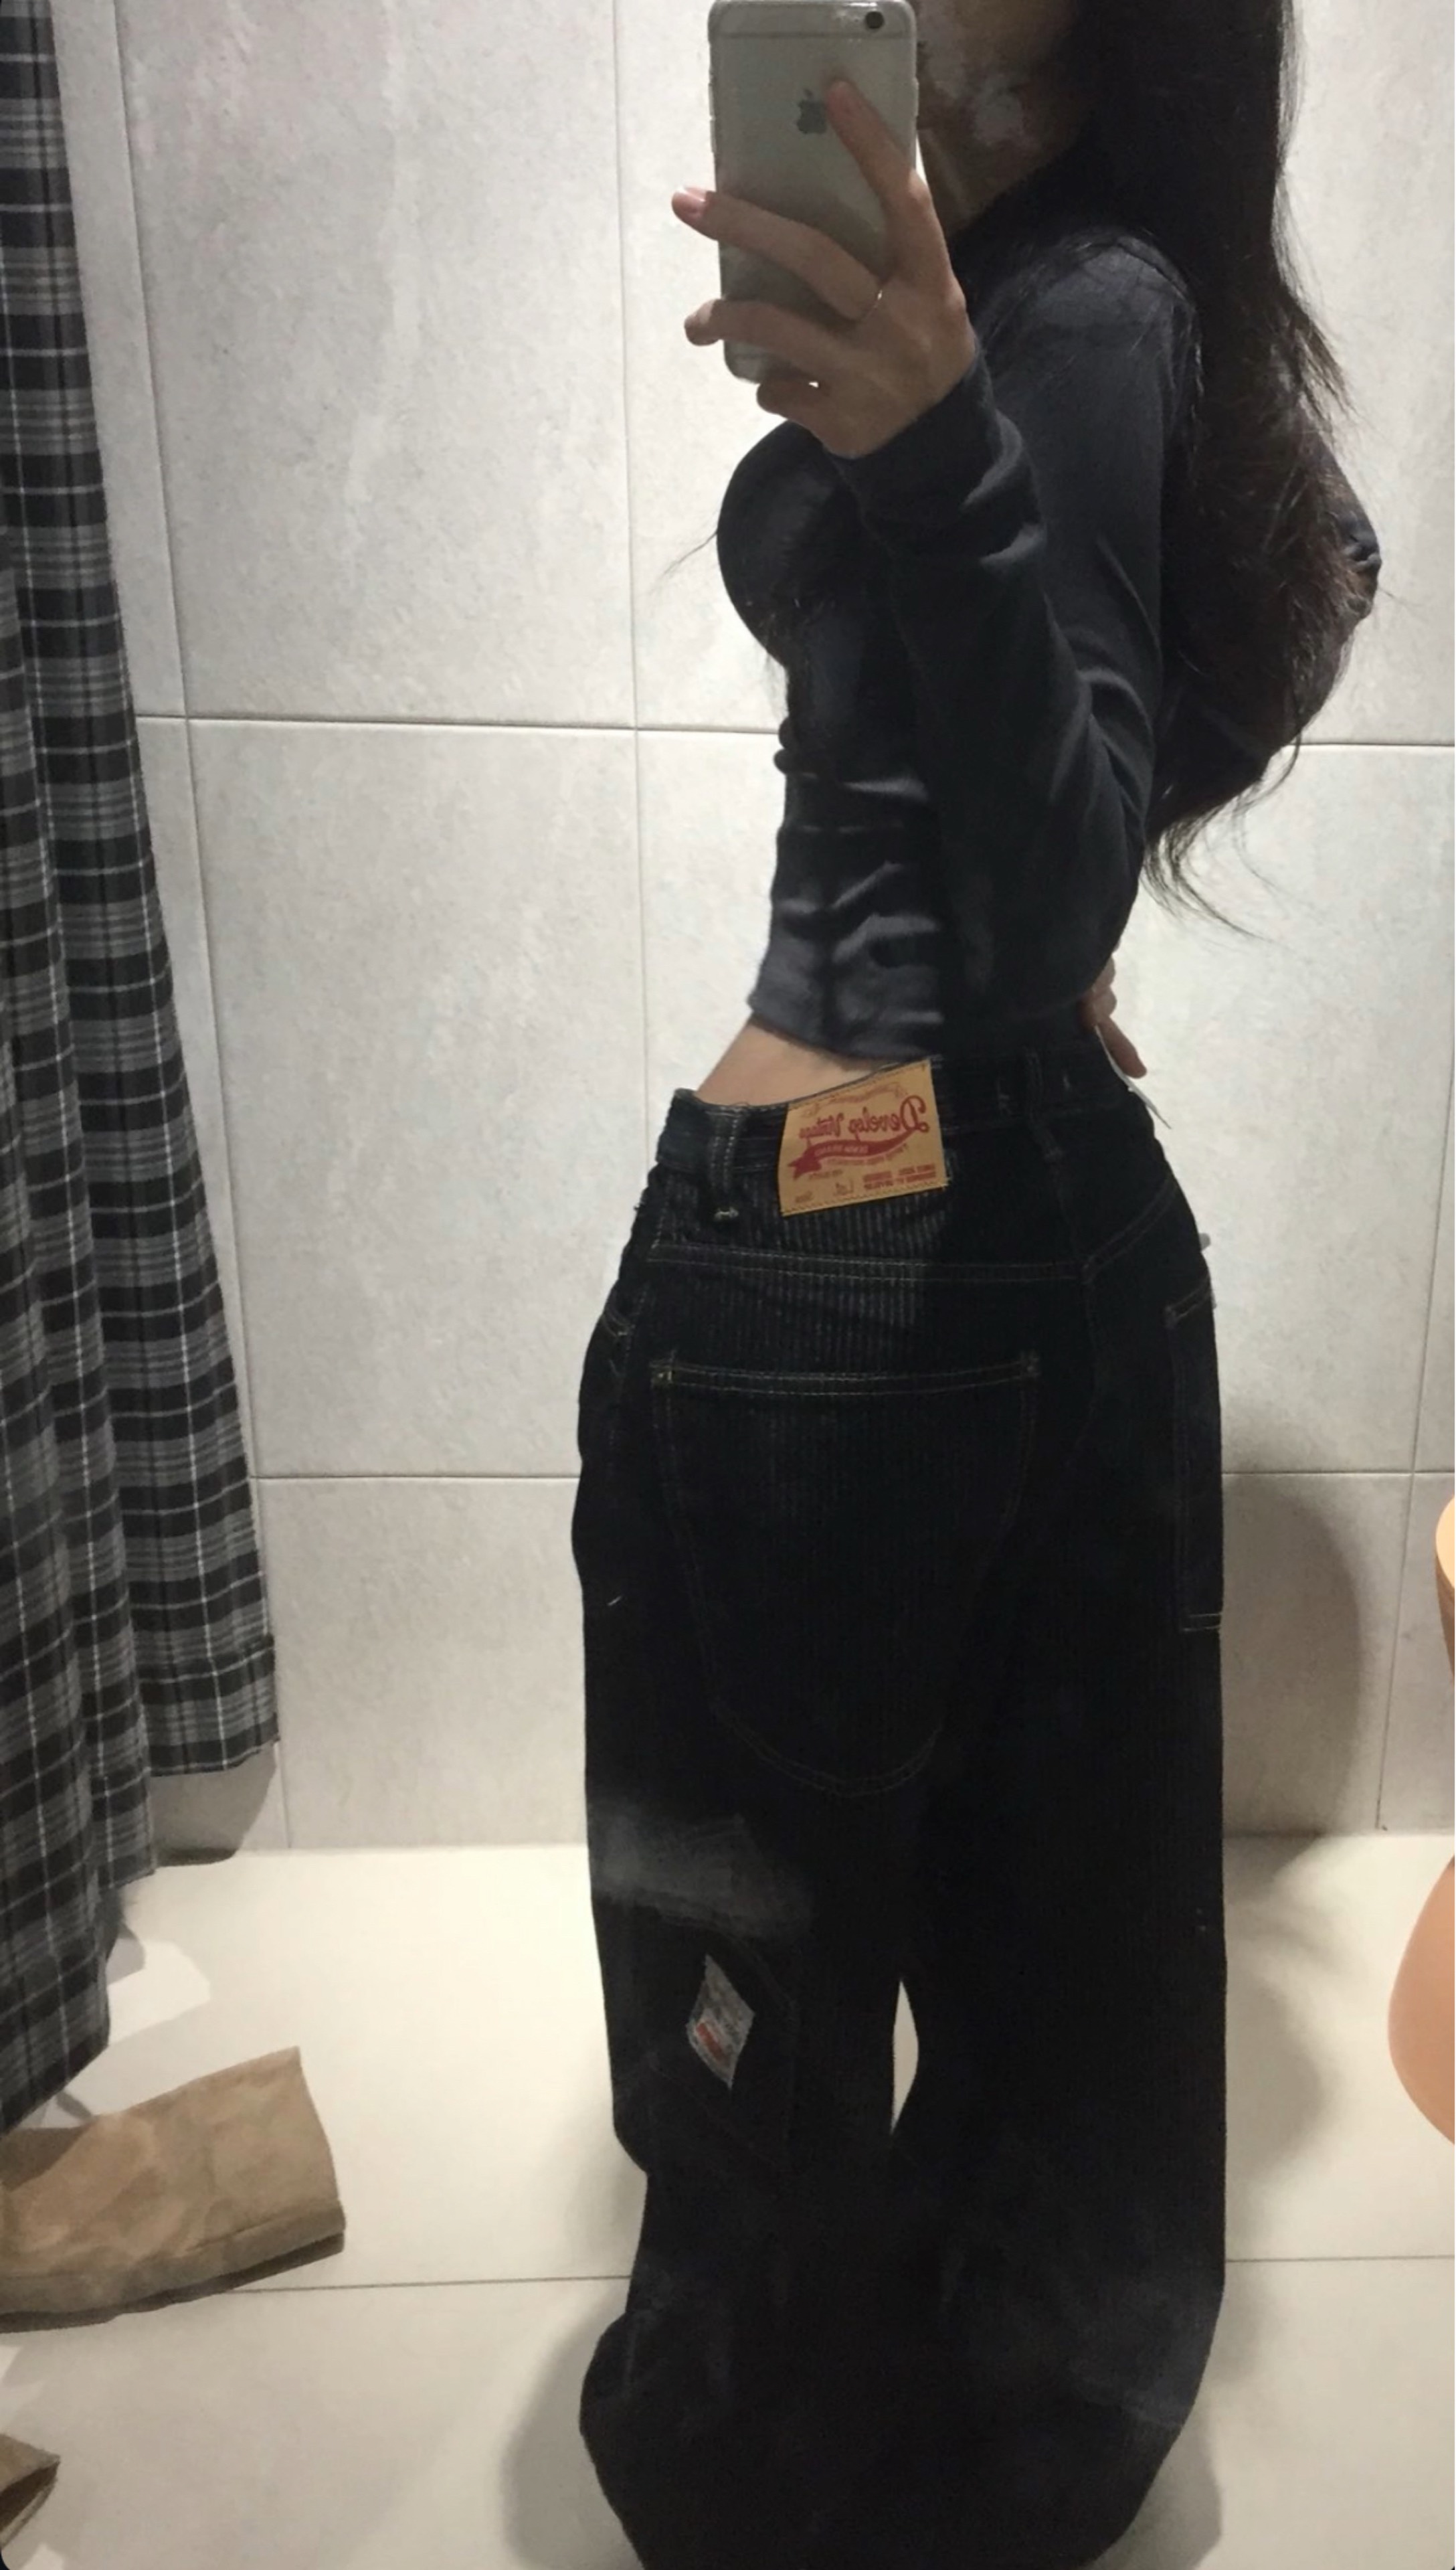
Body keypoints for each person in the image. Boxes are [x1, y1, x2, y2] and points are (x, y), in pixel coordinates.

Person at [571, 3, 1381, 2565]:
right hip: (888, 1262)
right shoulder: (1017, 272)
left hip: (878, 1283)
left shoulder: (1090, 302)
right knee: (993, 1961)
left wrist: (931, 442)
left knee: (800, 1965)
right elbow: (1071, 782)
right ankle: (941, 2444)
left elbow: (1047, 885)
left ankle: (836, 2469)